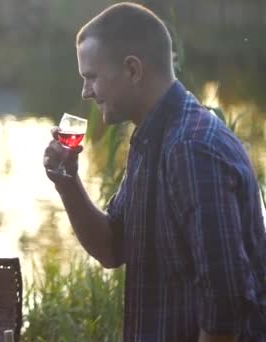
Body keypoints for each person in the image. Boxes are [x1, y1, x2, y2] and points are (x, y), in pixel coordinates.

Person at [43, 3, 266, 341]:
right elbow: (112, 247)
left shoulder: (191, 149)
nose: (86, 92)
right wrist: (67, 182)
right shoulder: (153, 138)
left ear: (133, 70)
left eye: (92, 77)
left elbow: (226, 306)